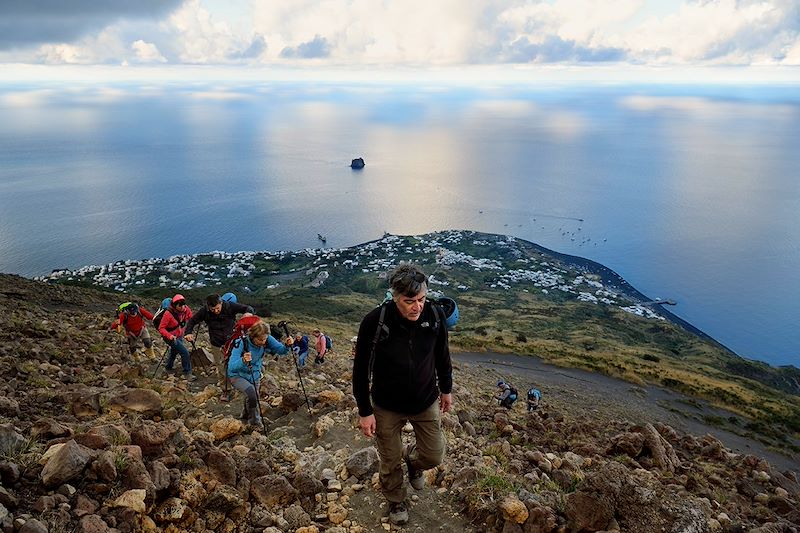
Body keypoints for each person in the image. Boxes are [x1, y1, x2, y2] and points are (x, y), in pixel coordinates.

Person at [352, 263, 453, 526]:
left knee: (433, 455)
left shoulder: (434, 315)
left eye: (421, 299)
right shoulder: (375, 321)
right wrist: (365, 411)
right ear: (395, 297)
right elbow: (360, 370)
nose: (417, 307)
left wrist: (447, 389)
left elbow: (442, 354)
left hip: (425, 398)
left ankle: (414, 460)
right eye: (409, 301)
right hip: (386, 404)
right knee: (389, 458)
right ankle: (396, 500)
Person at [227, 320, 290, 427]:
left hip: (254, 374)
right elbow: (231, 366)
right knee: (252, 394)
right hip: (236, 375)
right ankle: (255, 422)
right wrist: (243, 360)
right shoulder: (241, 343)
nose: (263, 342)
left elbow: (281, 350)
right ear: (252, 337)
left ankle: (245, 415)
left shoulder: (266, 338)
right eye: (260, 340)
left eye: (265, 339)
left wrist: (287, 345)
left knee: (251, 397)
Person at [184, 293, 254, 388]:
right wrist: (188, 332)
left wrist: (248, 313)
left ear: (221, 303)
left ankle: (241, 380)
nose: (216, 311)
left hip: (232, 341)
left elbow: (248, 308)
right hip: (216, 342)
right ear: (208, 307)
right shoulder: (205, 311)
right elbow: (192, 321)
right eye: (213, 309)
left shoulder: (229, 306)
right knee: (221, 366)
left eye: (218, 308)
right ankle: (226, 388)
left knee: (236, 362)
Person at [158, 294, 196, 381]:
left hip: (179, 335)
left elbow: (191, 318)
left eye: (183, 305)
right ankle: (187, 373)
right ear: (175, 305)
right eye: (180, 306)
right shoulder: (168, 314)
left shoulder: (186, 309)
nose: (182, 307)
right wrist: (170, 336)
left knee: (175, 351)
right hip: (170, 337)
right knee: (185, 352)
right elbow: (161, 328)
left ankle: (168, 367)